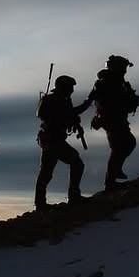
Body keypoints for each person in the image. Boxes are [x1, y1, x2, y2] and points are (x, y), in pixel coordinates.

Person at [35, 75, 93, 211]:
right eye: (70, 87)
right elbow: (68, 114)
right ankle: (72, 196)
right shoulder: (55, 100)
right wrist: (87, 103)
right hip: (52, 140)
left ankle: (41, 203)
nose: (72, 90)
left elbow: (68, 115)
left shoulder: (62, 99)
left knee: (47, 171)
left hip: (52, 139)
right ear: (64, 87)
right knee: (74, 163)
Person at [90, 55, 139, 190]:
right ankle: (110, 181)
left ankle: (112, 177)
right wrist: (132, 101)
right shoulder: (107, 82)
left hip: (116, 119)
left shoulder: (116, 81)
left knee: (124, 145)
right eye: (123, 67)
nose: (125, 70)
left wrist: (133, 99)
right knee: (121, 147)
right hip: (111, 119)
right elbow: (112, 102)